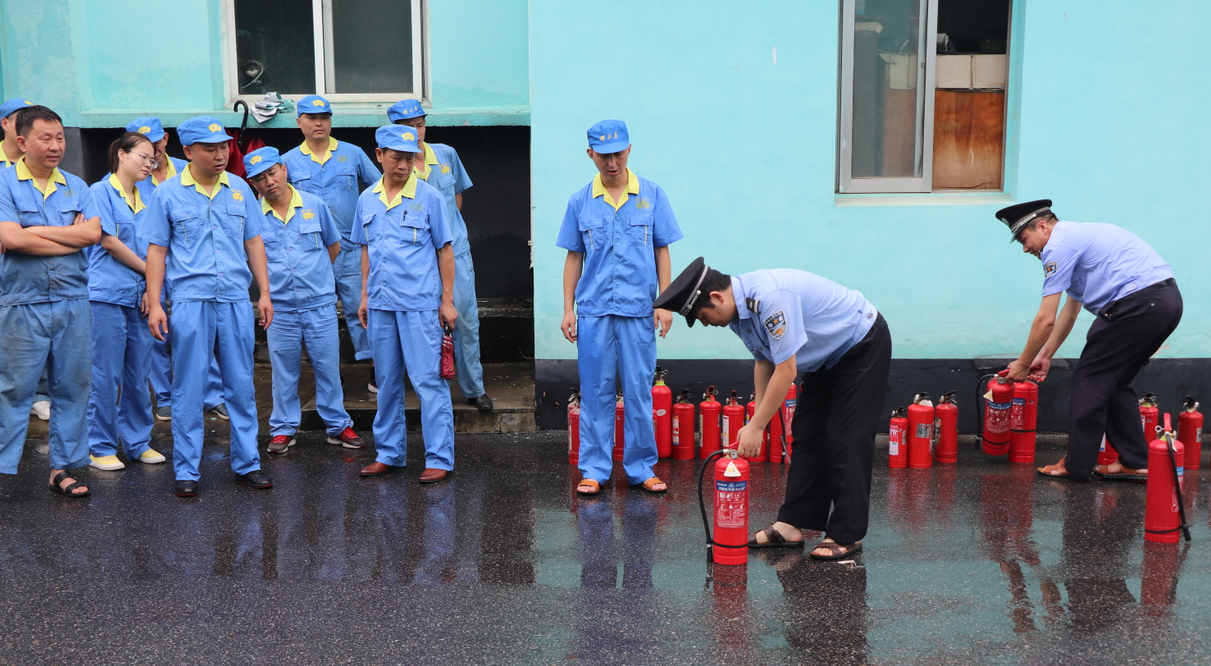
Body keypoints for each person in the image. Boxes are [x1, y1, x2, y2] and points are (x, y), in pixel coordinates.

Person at [654, 257, 891, 560]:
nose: (706, 323)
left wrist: (755, 427)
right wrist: (757, 420)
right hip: (824, 358)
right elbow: (764, 361)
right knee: (806, 434)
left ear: (717, 297)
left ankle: (847, 533)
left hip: (860, 343)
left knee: (845, 437)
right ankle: (792, 523)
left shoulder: (770, 299)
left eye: (703, 316)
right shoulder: (737, 315)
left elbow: (786, 370)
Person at [997, 200, 1182, 481]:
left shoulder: (1058, 247)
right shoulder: (1076, 239)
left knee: (1090, 381)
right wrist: (1045, 356)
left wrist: (1023, 363)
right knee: (1115, 382)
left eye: (1024, 239)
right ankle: (1135, 461)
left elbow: (1045, 319)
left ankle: (1077, 465)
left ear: (1043, 227)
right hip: (1165, 303)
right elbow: (1070, 312)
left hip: (1136, 305)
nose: (1025, 248)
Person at [143, 116, 274, 497]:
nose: (220, 156)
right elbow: (157, 251)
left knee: (241, 384)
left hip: (234, 299)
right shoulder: (167, 193)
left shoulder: (240, 188)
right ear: (188, 152)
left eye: (224, 148)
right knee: (188, 387)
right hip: (190, 301)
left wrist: (264, 294)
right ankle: (187, 469)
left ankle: (248, 463)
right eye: (210, 149)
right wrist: (156, 302)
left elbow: (254, 242)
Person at [557, 119, 681, 497]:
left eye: (618, 154)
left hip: (638, 311)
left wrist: (665, 302)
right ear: (590, 154)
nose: (612, 163)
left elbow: (662, 249)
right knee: (596, 393)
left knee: (639, 391)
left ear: (629, 150)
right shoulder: (580, 201)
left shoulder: (652, 194)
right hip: (594, 312)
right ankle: (595, 469)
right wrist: (568, 309)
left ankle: (641, 467)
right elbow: (573, 257)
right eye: (604, 156)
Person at [0, 105, 102, 497]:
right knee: (13, 389)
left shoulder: (78, 186)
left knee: (73, 387)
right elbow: (11, 238)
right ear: (22, 141)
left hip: (73, 300)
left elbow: (91, 235)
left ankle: (63, 469)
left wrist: (33, 231)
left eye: (60, 137)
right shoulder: (5, 183)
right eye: (46, 138)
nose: (56, 145)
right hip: (21, 302)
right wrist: (66, 236)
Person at [242, 146, 364, 453]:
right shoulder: (252, 215)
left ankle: (338, 426)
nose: (269, 182)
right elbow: (252, 257)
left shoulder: (314, 204)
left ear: (284, 170)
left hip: (319, 304)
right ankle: (284, 429)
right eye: (259, 178)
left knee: (328, 368)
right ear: (253, 184)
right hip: (279, 308)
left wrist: (317, 278)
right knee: (283, 372)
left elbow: (333, 246)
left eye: (272, 173)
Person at [353, 125, 456, 483]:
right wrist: (364, 295)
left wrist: (447, 301)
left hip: (420, 305)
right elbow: (365, 249)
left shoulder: (430, 197)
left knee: (428, 382)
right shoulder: (367, 199)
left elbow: (445, 250)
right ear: (379, 155)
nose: (403, 165)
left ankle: (439, 457)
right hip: (381, 305)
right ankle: (389, 453)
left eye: (409, 158)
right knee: (386, 382)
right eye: (396, 158)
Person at [389, 99, 493, 411]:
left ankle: (474, 388)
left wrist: (447, 234)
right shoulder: (398, 168)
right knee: (429, 326)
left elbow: (456, 197)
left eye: (420, 125)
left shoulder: (446, 154)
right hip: (420, 260)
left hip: (455, 253)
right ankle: (438, 393)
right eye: (408, 127)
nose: (416, 132)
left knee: (466, 321)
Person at [127, 117, 226, 422]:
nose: (153, 151)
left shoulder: (189, 169)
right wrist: (147, 278)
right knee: (157, 330)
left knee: (199, 333)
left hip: (189, 267)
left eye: (157, 143)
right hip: (149, 264)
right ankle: (166, 396)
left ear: (167, 139)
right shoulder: (130, 176)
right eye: (145, 146)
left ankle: (212, 394)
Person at [280, 95, 380, 389]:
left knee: (361, 308)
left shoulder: (352, 153)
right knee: (317, 315)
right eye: (312, 118)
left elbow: (379, 189)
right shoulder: (286, 162)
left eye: (324, 117)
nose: (319, 123)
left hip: (350, 248)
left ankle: (376, 369)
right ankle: (330, 375)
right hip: (310, 254)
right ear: (299, 122)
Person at [85, 132, 167, 471]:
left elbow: (157, 246)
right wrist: (151, 275)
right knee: (106, 374)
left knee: (138, 373)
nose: (149, 164)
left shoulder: (149, 196)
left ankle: (137, 442)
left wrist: (151, 288)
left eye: (153, 159)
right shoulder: (100, 192)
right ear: (122, 154)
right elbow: (109, 242)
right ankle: (100, 446)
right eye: (143, 156)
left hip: (141, 297)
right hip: (107, 295)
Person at [0, 99, 52, 422]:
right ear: (6, 124)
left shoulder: (44, 166)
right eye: (21, 118)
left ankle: (40, 393)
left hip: (31, 260)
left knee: (38, 326)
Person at [0, 98, 32, 169]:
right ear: (5, 124)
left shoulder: (44, 160)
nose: (31, 126)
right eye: (24, 120)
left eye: (34, 122)